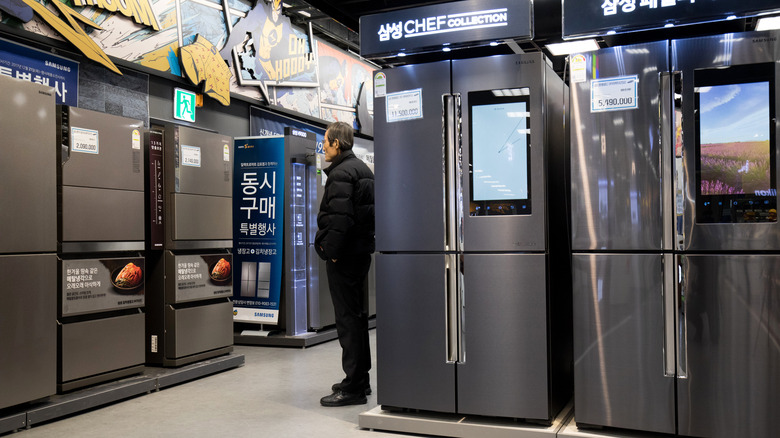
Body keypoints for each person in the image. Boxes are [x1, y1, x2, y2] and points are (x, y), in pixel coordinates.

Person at [315, 121, 375, 407]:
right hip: (361, 254)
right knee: (358, 318)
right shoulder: (363, 169)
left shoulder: (340, 173)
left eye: (325, 141)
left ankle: (352, 387)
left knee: (347, 321)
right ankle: (360, 380)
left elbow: (340, 220)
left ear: (337, 143)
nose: (323, 146)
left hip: (345, 257)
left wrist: (331, 251)